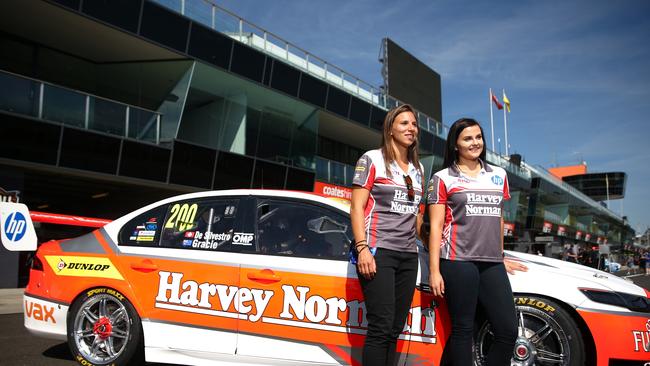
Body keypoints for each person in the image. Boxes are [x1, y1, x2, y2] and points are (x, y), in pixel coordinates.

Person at [427, 117, 527, 366]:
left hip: (491, 262)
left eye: (478, 137)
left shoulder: (499, 174)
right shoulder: (442, 178)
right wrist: (434, 270)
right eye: (467, 138)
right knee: (464, 330)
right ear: (455, 145)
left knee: (507, 330)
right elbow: (436, 226)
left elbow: (499, 218)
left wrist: (500, 256)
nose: (475, 143)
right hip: (457, 261)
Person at [350, 104, 426, 365]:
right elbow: (357, 207)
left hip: (408, 256)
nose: (411, 128)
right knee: (381, 328)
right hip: (378, 251)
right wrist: (362, 248)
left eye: (414, 124)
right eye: (404, 123)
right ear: (390, 128)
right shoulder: (371, 159)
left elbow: (417, 217)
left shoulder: (419, 170)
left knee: (395, 330)